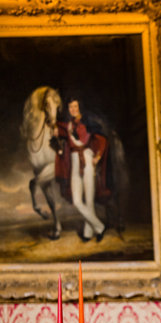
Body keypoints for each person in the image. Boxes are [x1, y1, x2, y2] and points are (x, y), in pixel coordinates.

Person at [53, 97, 109, 242]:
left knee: (89, 200)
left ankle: (88, 233)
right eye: (70, 107)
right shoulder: (68, 126)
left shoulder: (88, 122)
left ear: (80, 108)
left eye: (75, 107)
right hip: (74, 161)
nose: (73, 110)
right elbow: (58, 128)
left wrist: (98, 156)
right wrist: (54, 129)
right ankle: (100, 227)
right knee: (77, 201)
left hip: (87, 159)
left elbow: (102, 140)